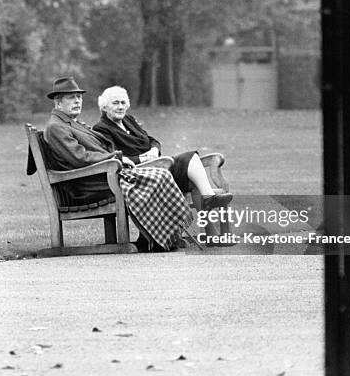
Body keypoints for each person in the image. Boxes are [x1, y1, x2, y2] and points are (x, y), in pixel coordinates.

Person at [43, 76, 192, 251]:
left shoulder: (70, 123)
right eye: (71, 98)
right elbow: (80, 158)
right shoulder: (56, 127)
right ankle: (157, 239)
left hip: (103, 176)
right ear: (58, 103)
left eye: (79, 97)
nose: (77, 101)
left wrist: (118, 160)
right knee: (156, 176)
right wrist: (115, 158)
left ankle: (160, 237)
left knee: (160, 174)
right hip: (88, 185)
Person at [92, 85, 232, 211]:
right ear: (104, 107)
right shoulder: (102, 128)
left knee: (193, 174)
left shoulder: (129, 120)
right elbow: (113, 156)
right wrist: (142, 158)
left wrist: (153, 150)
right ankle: (209, 198)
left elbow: (152, 140)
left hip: (157, 167)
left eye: (123, 103)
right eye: (115, 103)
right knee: (189, 158)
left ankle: (210, 213)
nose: (120, 107)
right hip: (140, 175)